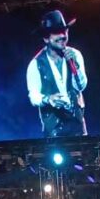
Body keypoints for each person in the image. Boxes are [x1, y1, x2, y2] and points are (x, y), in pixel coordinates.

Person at [26, 9, 89, 137]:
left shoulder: (75, 55)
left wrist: (75, 67)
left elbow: (81, 86)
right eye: (56, 32)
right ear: (46, 38)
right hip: (53, 131)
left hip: (77, 127)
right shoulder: (36, 64)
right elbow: (33, 96)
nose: (62, 36)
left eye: (64, 31)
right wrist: (48, 99)